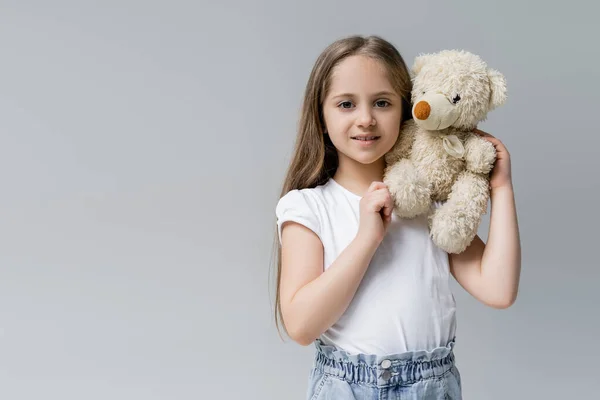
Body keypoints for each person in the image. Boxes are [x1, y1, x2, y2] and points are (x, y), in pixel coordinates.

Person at [272, 35, 521, 399]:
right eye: (346, 104)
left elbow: (498, 290)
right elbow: (301, 326)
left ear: (408, 111)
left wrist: (501, 189)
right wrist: (366, 239)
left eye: (382, 103)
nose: (366, 119)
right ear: (321, 117)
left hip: (431, 387)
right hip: (347, 387)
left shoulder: (427, 206)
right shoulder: (307, 207)